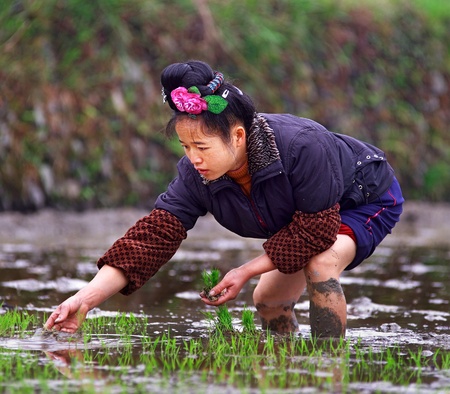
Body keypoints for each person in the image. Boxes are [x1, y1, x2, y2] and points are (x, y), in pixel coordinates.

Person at [45, 60, 404, 338]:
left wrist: (244, 271)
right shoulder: (195, 174)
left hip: (364, 199)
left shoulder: (301, 145)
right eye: (185, 147)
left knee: (320, 265)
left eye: (201, 147)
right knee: (268, 301)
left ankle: (329, 371)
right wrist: (83, 300)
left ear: (237, 136)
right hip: (304, 221)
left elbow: (315, 231)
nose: (193, 158)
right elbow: (150, 240)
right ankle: (289, 367)